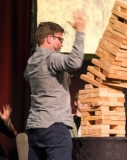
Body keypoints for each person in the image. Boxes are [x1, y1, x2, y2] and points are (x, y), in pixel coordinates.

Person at [24, 10, 86, 160]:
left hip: (35, 127)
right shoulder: (51, 57)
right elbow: (75, 61)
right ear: (49, 38)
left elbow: (28, 77)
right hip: (54, 126)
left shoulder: (31, 61)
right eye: (60, 39)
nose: (61, 44)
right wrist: (80, 31)